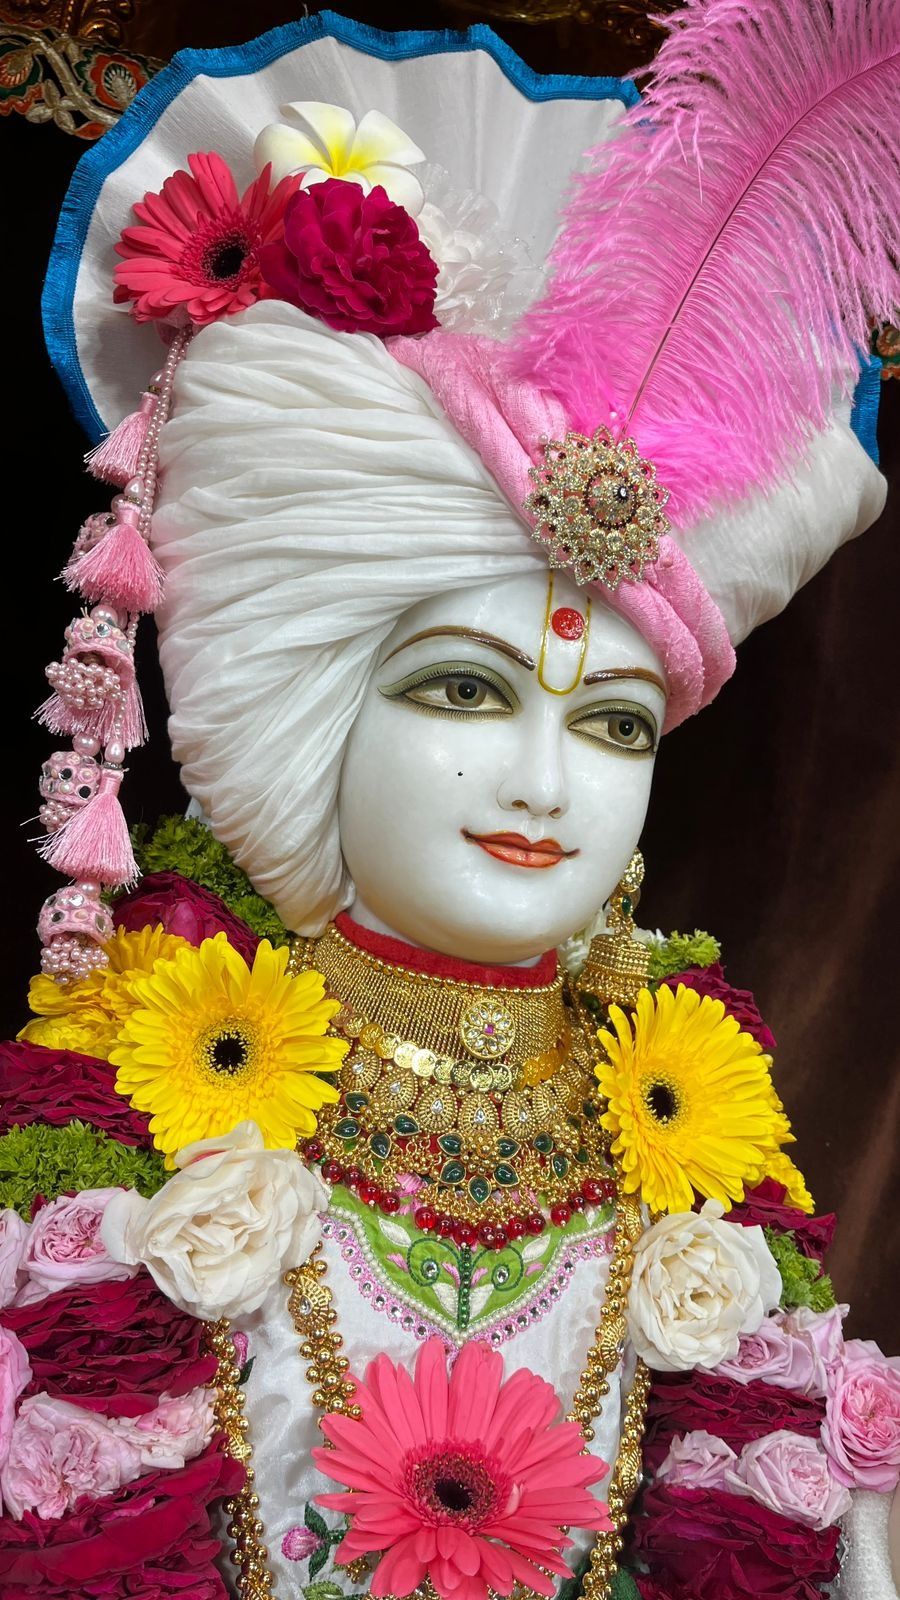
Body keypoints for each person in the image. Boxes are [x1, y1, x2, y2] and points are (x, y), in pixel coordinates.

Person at [1, 3, 898, 1598]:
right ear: (312, 705)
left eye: (616, 723)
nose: (546, 783)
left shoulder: (689, 1132)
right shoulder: (129, 1105)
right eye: (468, 694)